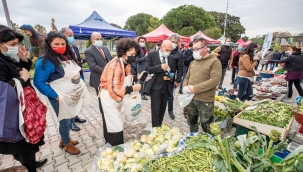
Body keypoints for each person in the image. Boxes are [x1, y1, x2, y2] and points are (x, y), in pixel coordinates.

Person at [34, 32, 91, 155]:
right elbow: (39, 82)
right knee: (65, 121)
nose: (60, 46)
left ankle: (63, 140)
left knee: (71, 118)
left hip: (71, 96)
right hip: (59, 97)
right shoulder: (44, 61)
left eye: (63, 44)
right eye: (56, 44)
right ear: (49, 44)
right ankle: (67, 145)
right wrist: (56, 96)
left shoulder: (66, 57)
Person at [0, 25, 47, 172]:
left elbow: (20, 70)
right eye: (12, 45)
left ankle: (31, 161)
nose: (16, 47)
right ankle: (29, 167)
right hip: (13, 114)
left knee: (30, 142)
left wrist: (24, 59)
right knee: (23, 145)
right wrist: (21, 81)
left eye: (17, 44)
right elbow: (2, 89)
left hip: (24, 108)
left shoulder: (6, 57)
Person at [100, 38, 147, 146]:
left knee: (113, 124)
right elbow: (114, 91)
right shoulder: (115, 65)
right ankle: (116, 148)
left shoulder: (126, 63)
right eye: (131, 53)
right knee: (115, 127)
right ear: (123, 52)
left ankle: (110, 145)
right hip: (109, 97)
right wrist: (132, 89)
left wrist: (137, 77)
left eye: (135, 54)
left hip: (116, 97)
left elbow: (125, 78)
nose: (133, 56)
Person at [183, 37, 222, 133]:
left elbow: (214, 81)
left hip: (205, 100)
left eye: (197, 49)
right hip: (191, 98)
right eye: (193, 49)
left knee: (206, 125)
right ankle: (193, 138)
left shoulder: (214, 62)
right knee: (192, 121)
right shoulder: (193, 62)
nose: (195, 51)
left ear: (205, 48)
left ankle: (209, 143)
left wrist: (195, 88)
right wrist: (184, 86)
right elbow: (187, 76)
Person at [145, 40, 177, 127]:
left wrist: (170, 77)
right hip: (155, 87)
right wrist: (160, 67)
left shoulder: (171, 58)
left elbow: (173, 71)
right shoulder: (152, 55)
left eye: (170, 50)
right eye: (167, 50)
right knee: (155, 109)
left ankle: (159, 124)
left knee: (162, 109)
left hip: (166, 87)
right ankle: (155, 128)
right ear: (161, 47)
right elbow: (147, 68)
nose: (169, 52)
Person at [60, 27, 86, 132]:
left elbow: (77, 61)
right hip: (69, 80)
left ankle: (75, 116)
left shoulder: (74, 48)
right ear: (63, 36)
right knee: (71, 101)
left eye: (72, 35)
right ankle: (71, 123)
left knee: (77, 99)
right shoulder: (62, 50)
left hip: (78, 76)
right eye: (69, 36)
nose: (72, 38)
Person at [85, 32, 112, 117]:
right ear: (92, 40)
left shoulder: (105, 48)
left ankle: (110, 112)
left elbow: (110, 61)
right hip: (98, 79)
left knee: (110, 97)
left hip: (110, 78)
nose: (99, 40)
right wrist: (107, 71)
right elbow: (93, 66)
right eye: (97, 39)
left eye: (100, 39)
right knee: (102, 98)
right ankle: (104, 115)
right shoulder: (88, 51)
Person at [166, 34, 183, 120]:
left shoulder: (179, 54)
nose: (174, 44)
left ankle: (170, 111)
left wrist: (178, 80)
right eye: (172, 42)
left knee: (170, 95)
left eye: (176, 42)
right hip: (161, 74)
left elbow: (180, 68)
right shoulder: (163, 49)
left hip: (171, 75)